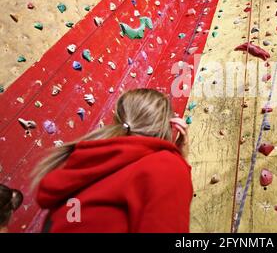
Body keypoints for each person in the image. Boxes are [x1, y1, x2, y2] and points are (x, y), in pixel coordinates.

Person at [33, 89, 192, 233]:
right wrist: (179, 160)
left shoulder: (88, 163)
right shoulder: (165, 166)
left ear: (117, 119)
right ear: (169, 128)